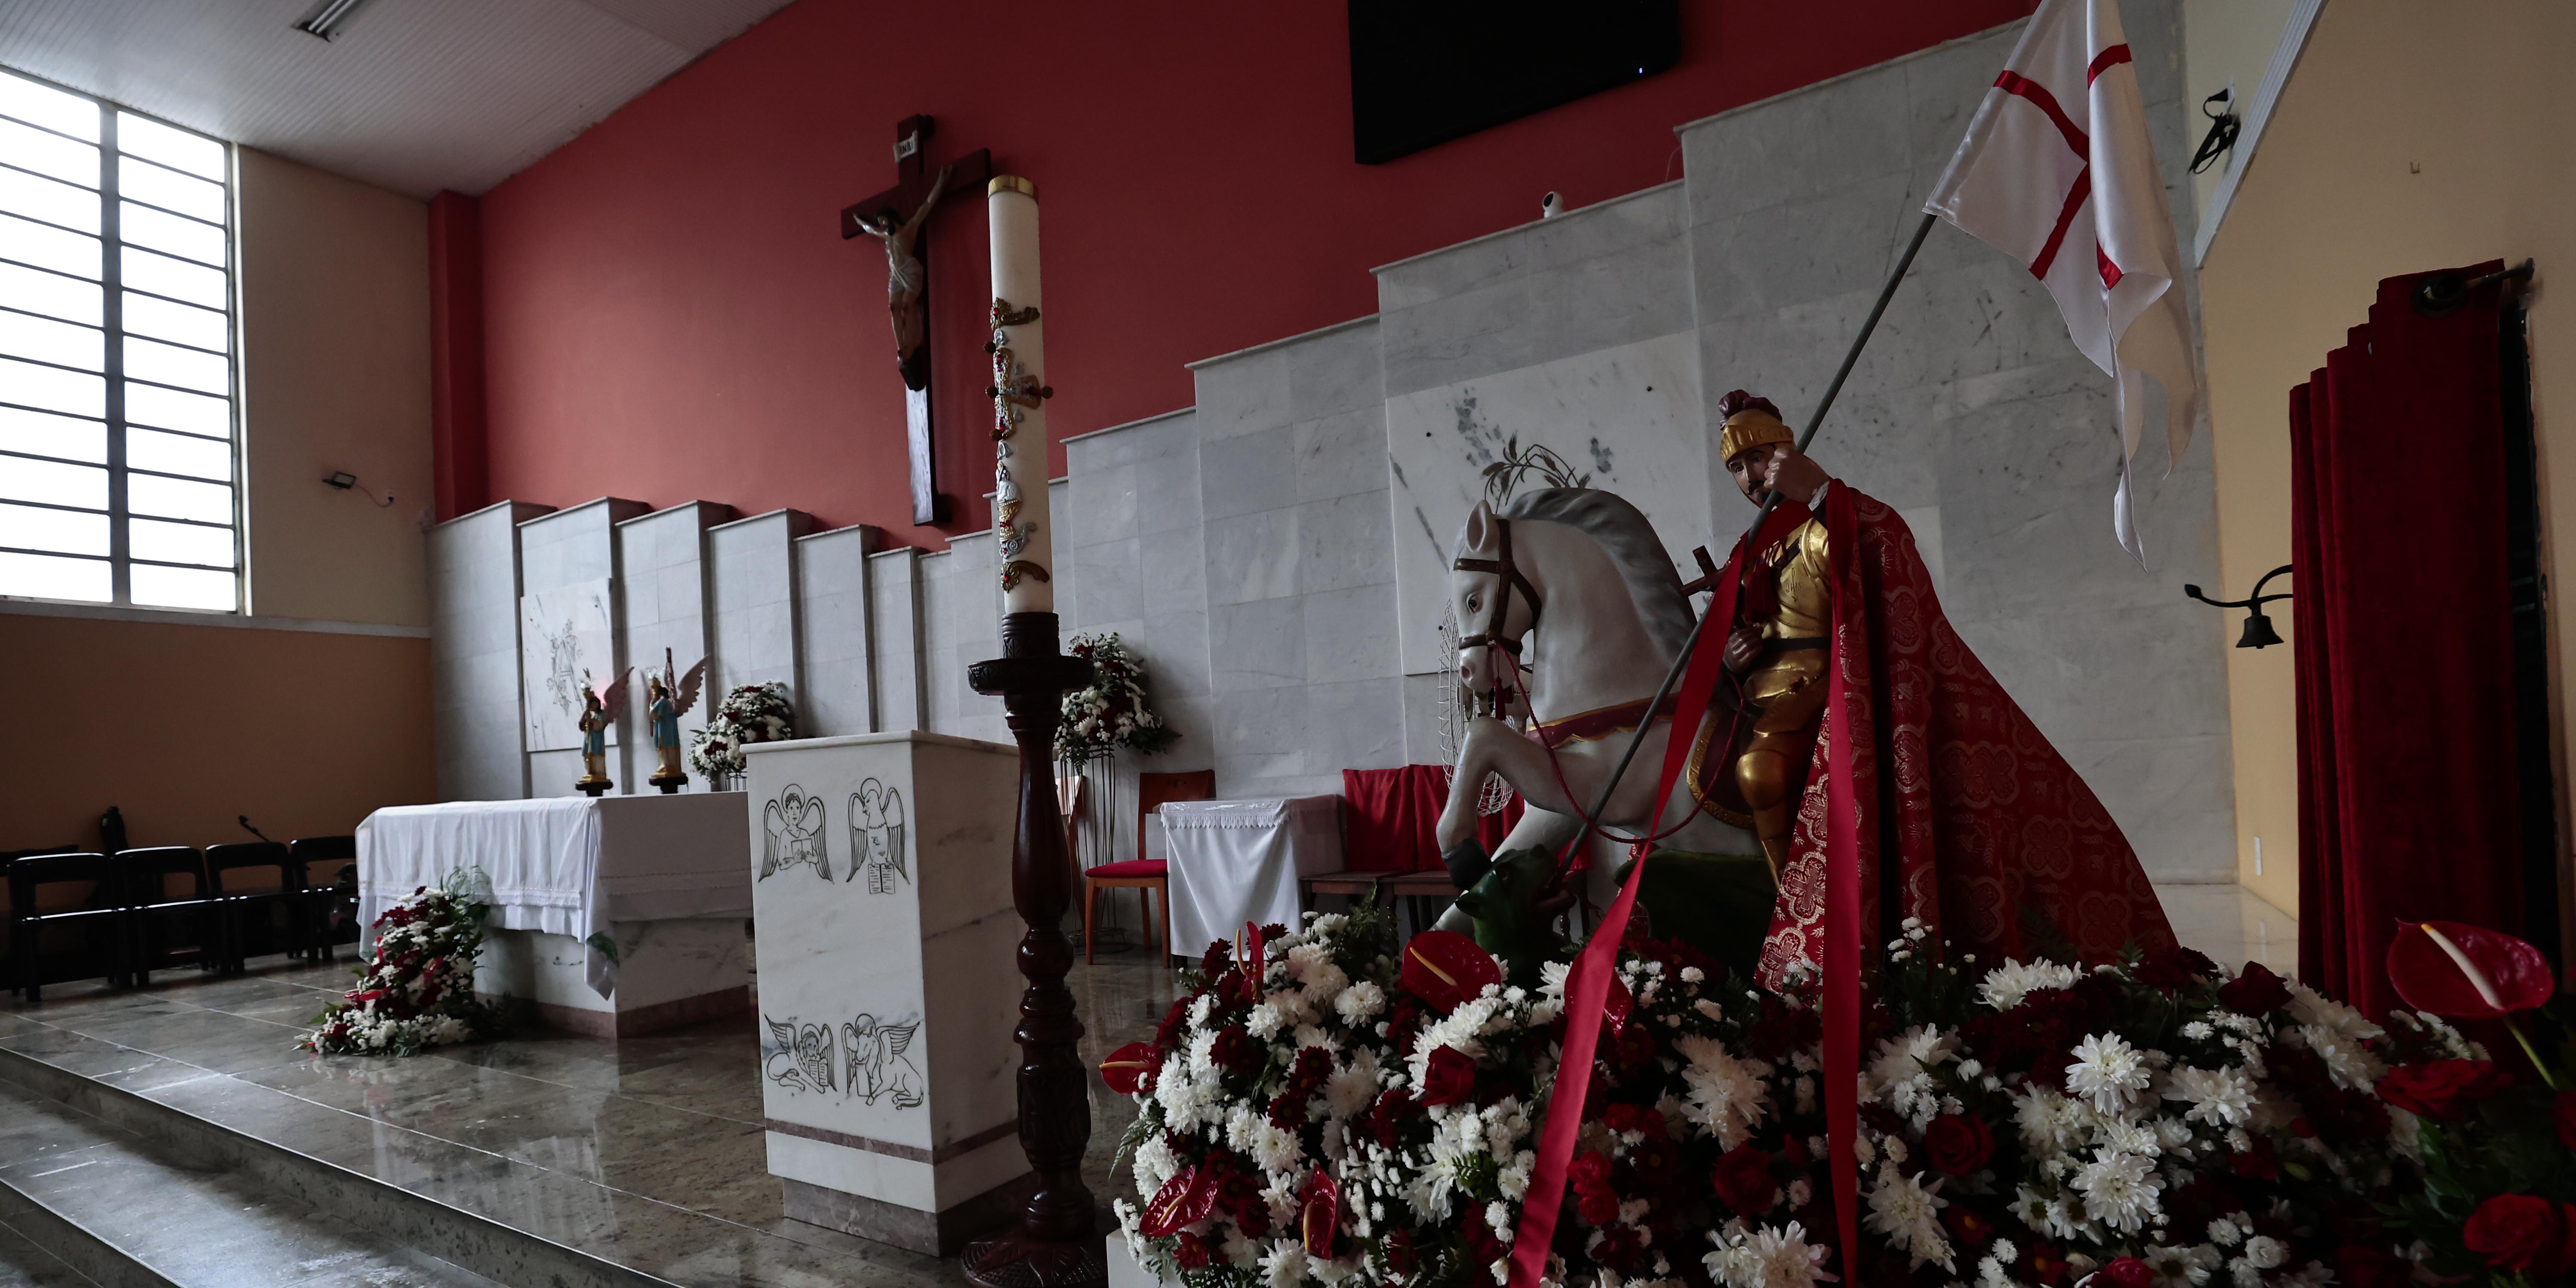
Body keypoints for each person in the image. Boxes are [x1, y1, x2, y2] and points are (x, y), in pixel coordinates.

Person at [1704, 389, 2176, 981]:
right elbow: (1749, 627)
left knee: (1759, 771)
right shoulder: (1752, 549)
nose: (1752, 475)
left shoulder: (1832, 521)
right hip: (1763, 687)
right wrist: (1733, 656)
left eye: (1761, 456)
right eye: (1737, 467)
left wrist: (1824, 494)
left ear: (1788, 446)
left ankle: (1801, 920)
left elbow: (1884, 552)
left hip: (1829, 683)